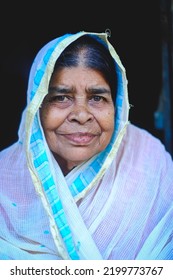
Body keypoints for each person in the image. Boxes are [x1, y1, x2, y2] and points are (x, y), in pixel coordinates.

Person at [0, 30, 173, 260]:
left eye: (97, 98)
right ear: (37, 107)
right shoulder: (4, 178)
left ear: (117, 105)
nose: (81, 115)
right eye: (61, 97)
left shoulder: (150, 161)